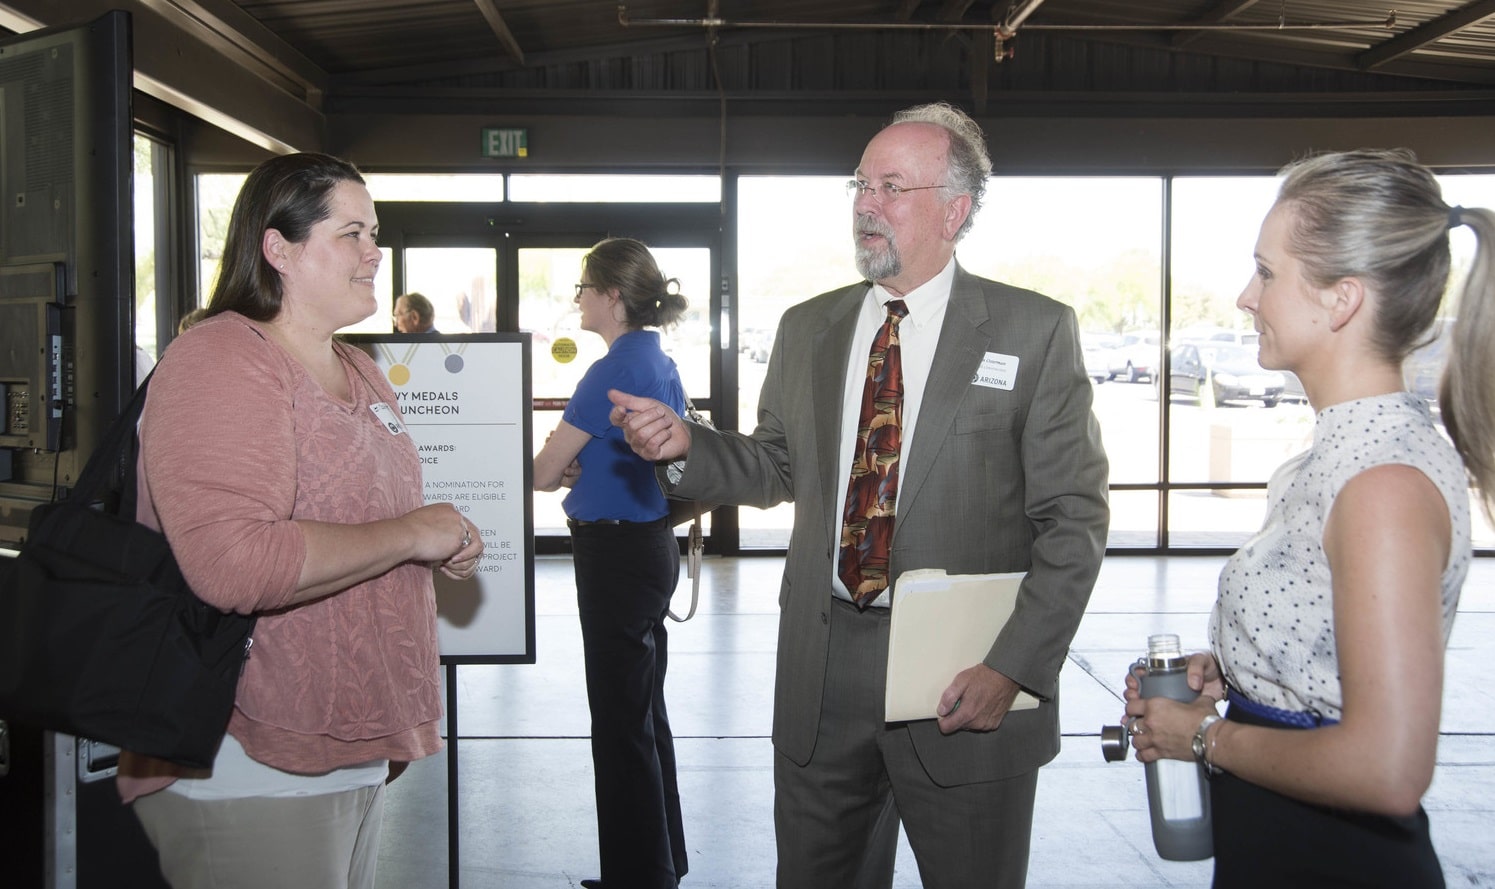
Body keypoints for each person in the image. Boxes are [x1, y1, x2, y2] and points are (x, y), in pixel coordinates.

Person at [610, 103, 1110, 887]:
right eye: (859, 184)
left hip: (964, 678)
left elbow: (1071, 521)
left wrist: (1010, 667)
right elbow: (776, 465)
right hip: (823, 671)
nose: (865, 204)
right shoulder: (810, 327)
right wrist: (686, 447)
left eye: (890, 186)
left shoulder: (1031, 331)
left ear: (955, 210)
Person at [1123, 148, 1495, 887]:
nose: (1243, 297)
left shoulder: (1380, 483)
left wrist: (1204, 735)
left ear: (1340, 300)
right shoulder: (1337, 459)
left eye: (1265, 272)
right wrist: (1237, 675)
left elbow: (1387, 768)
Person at [118, 152, 484, 889]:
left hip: (342, 746)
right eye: (352, 232)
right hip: (245, 754)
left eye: (374, 231)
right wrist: (412, 533)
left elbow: (363, 521)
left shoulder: (358, 365)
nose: (375, 250)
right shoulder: (220, 359)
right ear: (278, 247)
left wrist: (440, 539)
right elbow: (233, 564)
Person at [533, 237, 692, 889]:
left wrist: (552, 464)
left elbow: (542, 473)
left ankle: (637, 876)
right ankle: (659, 862)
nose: (578, 298)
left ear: (612, 296)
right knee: (643, 712)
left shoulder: (610, 370)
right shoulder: (653, 358)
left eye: (583, 287)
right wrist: (583, 462)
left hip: (616, 554)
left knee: (620, 721)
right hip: (648, 546)